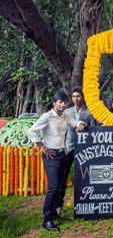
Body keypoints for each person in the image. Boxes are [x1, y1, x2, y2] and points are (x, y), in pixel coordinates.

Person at [27, 91, 86, 231]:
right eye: (60, 102)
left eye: (65, 102)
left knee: (60, 185)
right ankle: (46, 219)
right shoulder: (47, 116)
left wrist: (81, 124)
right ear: (54, 103)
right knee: (53, 186)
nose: (62, 104)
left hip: (62, 153)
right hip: (50, 155)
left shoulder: (66, 117)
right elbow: (31, 131)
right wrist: (43, 147)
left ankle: (54, 214)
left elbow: (76, 122)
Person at [56, 86, 96, 218]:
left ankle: (88, 203)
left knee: (87, 176)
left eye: (78, 96)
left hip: (85, 149)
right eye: (73, 96)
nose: (76, 98)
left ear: (83, 97)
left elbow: (93, 130)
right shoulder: (66, 112)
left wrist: (85, 125)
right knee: (63, 177)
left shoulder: (90, 112)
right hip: (68, 148)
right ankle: (58, 206)